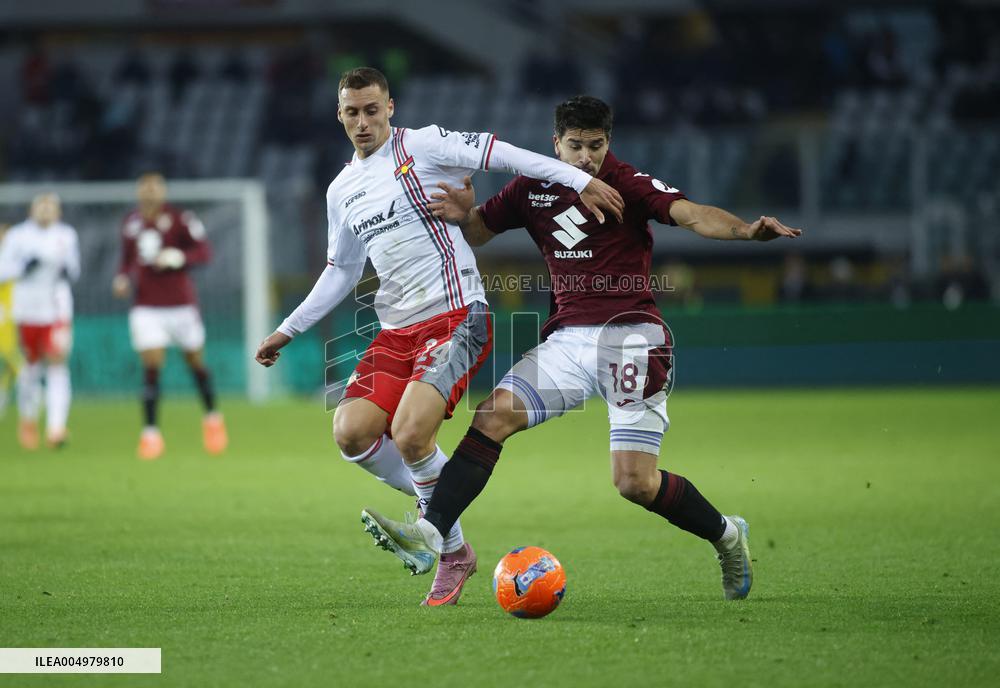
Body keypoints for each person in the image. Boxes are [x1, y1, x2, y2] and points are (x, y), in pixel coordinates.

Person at [361, 95, 802, 601]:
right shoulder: (533, 186)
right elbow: (482, 230)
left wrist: (745, 231)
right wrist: (465, 215)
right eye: (575, 146)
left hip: (631, 336)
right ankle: (431, 533)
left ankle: (727, 535)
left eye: (595, 145)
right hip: (566, 341)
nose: (586, 157)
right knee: (491, 418)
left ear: (608, 142)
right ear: (557, 143)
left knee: (634, 482)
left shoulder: (628, 183)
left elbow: (692, 214)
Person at [254, 68, 623, 606]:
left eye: (372, 110)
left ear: (390, 108)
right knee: (351, 433)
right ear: (339, 115)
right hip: (396, 330)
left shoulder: (424, 146)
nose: (363, 121)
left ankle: (441, 543)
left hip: (456, 317)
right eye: (352, 112)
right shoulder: (342, 190)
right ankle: (449, 529)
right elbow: (340, 269)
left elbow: (507, 155)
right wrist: (287, 329)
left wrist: (579, 179)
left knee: (409, 434)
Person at [113, 172, 228, 460]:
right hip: (146, 306)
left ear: (163, 192)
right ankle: (150, 434)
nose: (150, 193)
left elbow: (204, 252)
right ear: (139, 192)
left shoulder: (181, 219)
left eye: (155, 188)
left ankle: (212, 418)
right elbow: (126, 262)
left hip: (181, 305)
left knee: (196, 363)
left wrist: (179, 257)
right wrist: (122, 278)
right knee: (152, 365)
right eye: (145, 189)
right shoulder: (131, 223)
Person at [0, 194, 79, 448]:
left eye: (50, 206)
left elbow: (75, 270)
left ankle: (56, 427)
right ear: (31, 209)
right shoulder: (18, 236)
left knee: (57, 364)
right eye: (41, 206)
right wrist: (24, 267)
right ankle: (28, 419)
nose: (46, 210)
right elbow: (2, 271)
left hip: (57, 308)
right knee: (30, 367)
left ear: (58, 211)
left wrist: (67, 270)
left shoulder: (66, 235)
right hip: (27, 309)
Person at [0, 225, 16, 420]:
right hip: (4, 312)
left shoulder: (13, 256)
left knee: (12, 353)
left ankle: (3, 390)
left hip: (14, 311)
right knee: (10, 353)